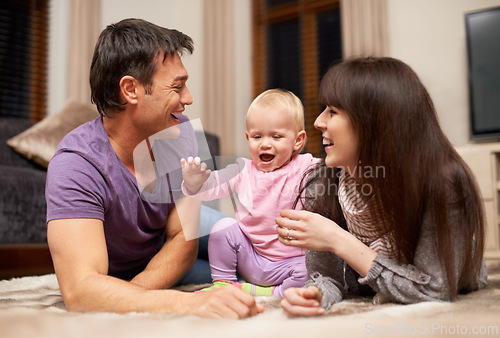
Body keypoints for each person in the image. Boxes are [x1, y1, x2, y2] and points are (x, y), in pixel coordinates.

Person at [45, 18, 263, 318]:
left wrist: (133, 295)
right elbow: (80, 290)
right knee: (234, 282)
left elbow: (182, 241)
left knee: (263, 254)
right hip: (145, 256)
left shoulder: (181, 132)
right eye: (177, 87)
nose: (188, 99)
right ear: (131, 90)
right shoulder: (76, 165)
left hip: (168, 242)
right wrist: (188, 303)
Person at [275, 57, 488, 316]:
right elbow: (326, 277)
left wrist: (337, 239)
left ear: (374, 121)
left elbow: (434, 288)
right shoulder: (324, 180)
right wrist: (314, 294)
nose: (318, 122)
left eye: (333, 111)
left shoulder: (443, 181)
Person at [181, 89, 321, 297]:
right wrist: (194, 183)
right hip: (251, 259)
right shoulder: (242, 169)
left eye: (276, 136)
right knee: (223, 227)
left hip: (289, 264)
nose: (265, 143)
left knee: (311, 270)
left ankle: (272, 292)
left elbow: (334, 172)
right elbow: (211, 187)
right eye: (257, 136)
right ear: (248, 138)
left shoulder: (306, 167)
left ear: (298, 141)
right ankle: (224, 283)